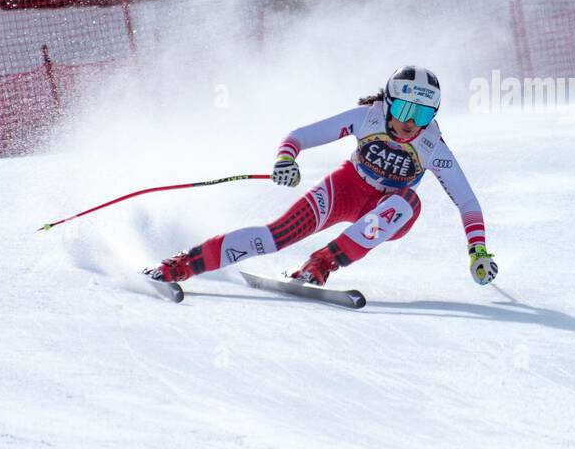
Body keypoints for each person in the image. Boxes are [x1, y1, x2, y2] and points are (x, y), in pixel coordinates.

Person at [146, 66, 497, 288]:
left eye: (422, 114)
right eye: (405, 109)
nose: (410, 122)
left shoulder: (432, 144)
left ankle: (322, 264)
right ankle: (181, 265)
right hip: (346, 188)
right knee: (275, 235)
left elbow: (466, 201)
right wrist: (287, 158)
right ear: (388, 103)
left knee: (407, 202)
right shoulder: (366, 117)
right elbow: (300, 136)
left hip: (385, 210)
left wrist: (477, 250)